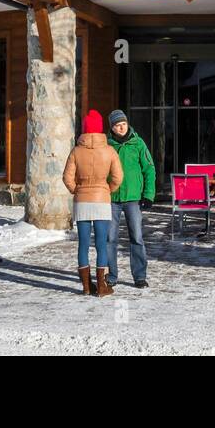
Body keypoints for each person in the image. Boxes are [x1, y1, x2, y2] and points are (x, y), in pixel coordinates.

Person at [63, 110, 124, 297]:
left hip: (82, 202)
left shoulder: (76, 150)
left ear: (84, 129)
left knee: (82, 243)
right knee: (101, 244)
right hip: (101, 201)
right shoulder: (109, 150)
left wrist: (77, 190)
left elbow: (67, 178)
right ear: (100, 130)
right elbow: (118, 177)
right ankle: (102, 286)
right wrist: (108, 189)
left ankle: (86, 286)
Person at [106, 109, 155, 289]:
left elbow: (149, 169)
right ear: (112, 128)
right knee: (110, 238)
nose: (121, 128)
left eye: (124, 124)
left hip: (133, 199)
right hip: (111, 199)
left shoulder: (138, 143)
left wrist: (148, 195)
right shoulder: (107, 146)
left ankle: (140, 276)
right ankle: (111, 275)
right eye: (118, 125)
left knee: (137, 237)